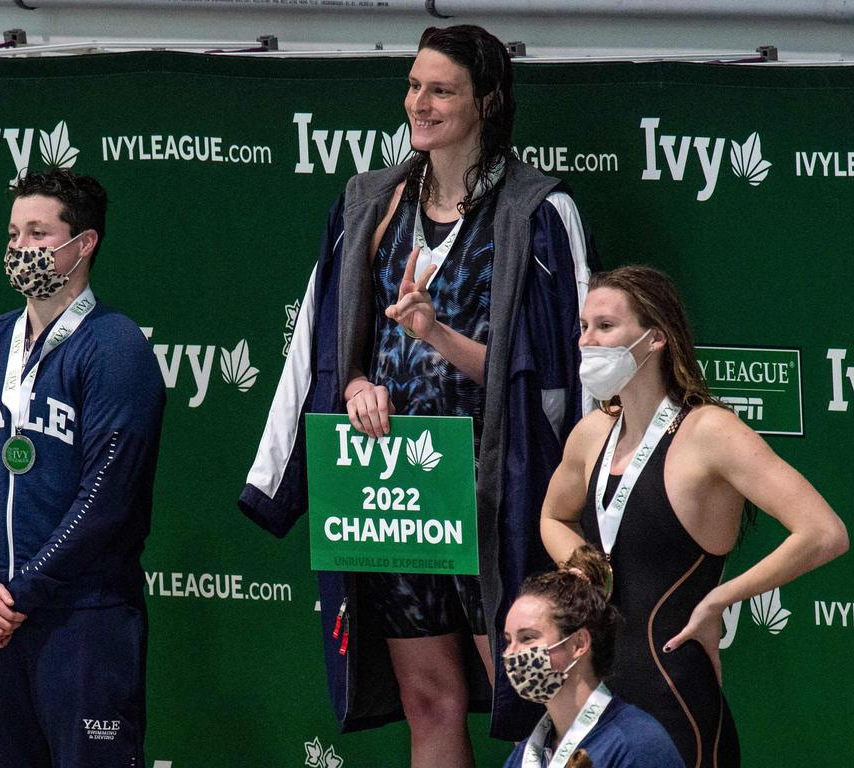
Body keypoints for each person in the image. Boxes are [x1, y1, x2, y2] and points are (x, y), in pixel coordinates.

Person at [240, 24, 593, 765]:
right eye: (412, 85)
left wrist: (436, 336)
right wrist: (361, 386)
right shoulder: (372, 202)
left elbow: (562, 366)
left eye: (441, 89)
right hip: (395, 495)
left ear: (488, 101)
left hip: (496, 493)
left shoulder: (535, 212)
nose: (419, 103)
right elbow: (326, 344)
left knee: (529, 698)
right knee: (426, 701)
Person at [540, 265, 848, 768]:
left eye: (605, 326)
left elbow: (825, 532)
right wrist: (585, 564)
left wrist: (720, 599)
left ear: (656, 337)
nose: (586, 341)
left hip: (674, 695)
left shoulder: (711, 432)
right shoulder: (592, 431)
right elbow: (553, 516)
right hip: (596, 691)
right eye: (583, 326)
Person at [0, 168, 166, 768]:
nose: (20, 249)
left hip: (83, 619)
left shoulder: (114, 348)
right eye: (13, 233)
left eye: (38, 233)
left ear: (83, 244)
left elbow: (106, 499)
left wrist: (22, 592)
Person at [502, 545, 685, 768]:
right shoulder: (524, 757)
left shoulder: (637, 745)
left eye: (528, 638)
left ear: (578, 643)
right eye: (508, 640)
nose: (511, 653)